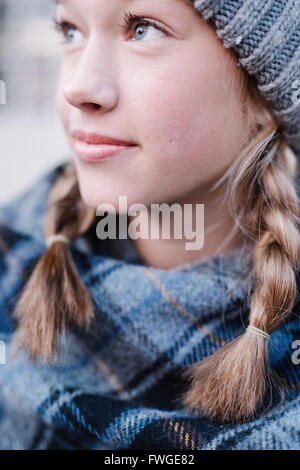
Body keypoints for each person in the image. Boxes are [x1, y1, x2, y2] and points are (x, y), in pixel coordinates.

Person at [0, 0, 299, 450]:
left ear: (264, 88)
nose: (78, 87)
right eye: (70, 31)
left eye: (143, 29)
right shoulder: (12, 255)